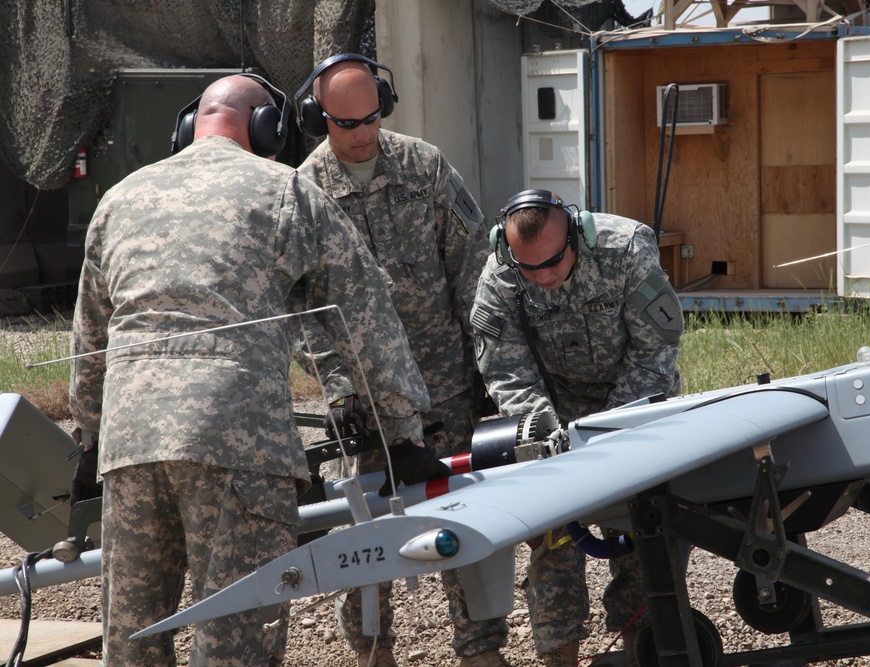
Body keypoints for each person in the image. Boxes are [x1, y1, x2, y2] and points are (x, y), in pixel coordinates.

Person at [67, 73, 434, 667]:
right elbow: (365, 318)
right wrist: (401, 431)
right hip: (239, 447)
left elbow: (89, 339)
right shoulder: (286, 191)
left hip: (131, 447)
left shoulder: (120, 197)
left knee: (133, 646)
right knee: (237, 643)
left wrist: (88, 441)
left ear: (190, 123)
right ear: (267, 129)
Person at [290, 54, 507, 667]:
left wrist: (488, 371)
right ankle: (372, 653)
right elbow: (300, 311)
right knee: (366, 535)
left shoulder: (425, 167)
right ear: (318, 118)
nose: (363, 134)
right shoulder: (304, 192)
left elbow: (474, 276)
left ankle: (480, 652)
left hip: (446, 389)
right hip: (362, 401)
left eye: (373, 118)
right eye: (346, 123)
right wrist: (340, 392)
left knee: (464, 517)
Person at [470, 189, 685, 667]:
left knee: (648, 531)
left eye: (553, 261)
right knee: (552, 537)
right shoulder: (502, 271)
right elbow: (506, 370)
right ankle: (558, 654)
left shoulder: (627, 248)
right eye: (531, 268)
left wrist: (606, 436)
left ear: (577, 232)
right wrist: (549, 435)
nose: (543, 276)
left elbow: (655, 355)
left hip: (634, 408)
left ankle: (645, 647)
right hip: (554, 418)